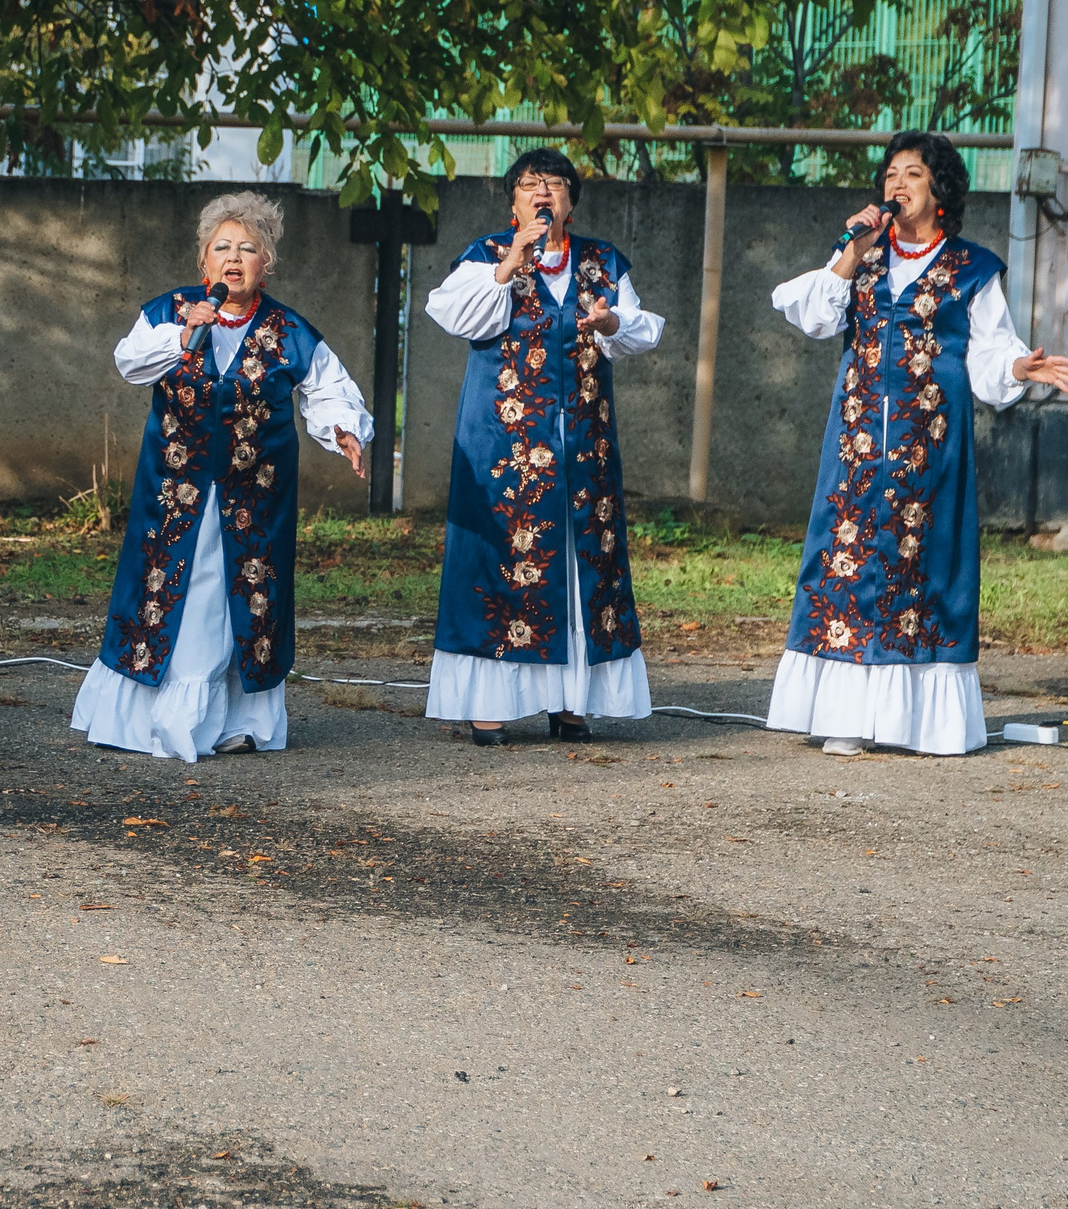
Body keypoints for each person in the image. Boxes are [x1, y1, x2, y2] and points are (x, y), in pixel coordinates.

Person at [765, 130, 1068, 757]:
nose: (897, 183)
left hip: (929, 447)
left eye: (912, 174)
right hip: (857, 445)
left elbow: (989, 352)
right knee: (848, 561)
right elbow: (813, 316)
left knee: (925, 568)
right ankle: (847, 718)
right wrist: (851, 250)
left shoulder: (973, 268)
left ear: (940, 192)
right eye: (890, 174)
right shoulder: (863, 257)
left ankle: (921, 724)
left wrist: (1018, 368)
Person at [70, 191, 370, 762]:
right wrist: (183, 333)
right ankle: (154, 721)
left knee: (244, 602)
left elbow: (327, 389)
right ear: (203, 260)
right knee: (175, 596)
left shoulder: (289, 329)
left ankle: (238, 721)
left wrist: (343, 430)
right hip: (174, 492)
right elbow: (130, 362)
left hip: (256, 496)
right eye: (222, 247)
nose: (234, 257)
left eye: (248, 248)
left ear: (266, 263)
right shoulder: (170, 311)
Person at [423, 148, 665, 745]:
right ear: (514, 201)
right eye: (531, 184)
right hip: (503, 446)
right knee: (501, 559)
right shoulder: (485, 254)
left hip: (582, 442)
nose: (543, 193)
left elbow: (641, 329)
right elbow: (453, 314)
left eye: (555, 184)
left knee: (581, 562)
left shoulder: (602, 261)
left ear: (570, 202)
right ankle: (490, 704)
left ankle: (571, 703)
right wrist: (510, 262)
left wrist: (609, 323)